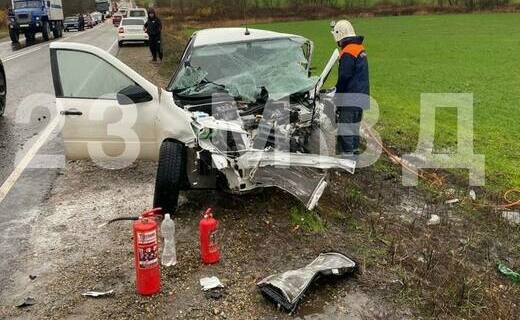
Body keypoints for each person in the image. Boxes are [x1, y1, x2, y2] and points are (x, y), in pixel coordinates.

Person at [331, 20, 370, 158]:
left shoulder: (347, 52)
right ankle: (354, 154)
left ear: (338, 35)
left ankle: (348, 159)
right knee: (354, 127)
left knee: (346, 128)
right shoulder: (359, 49)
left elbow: (344, 76)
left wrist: (336, 94)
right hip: (362, 96)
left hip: (350, 97)